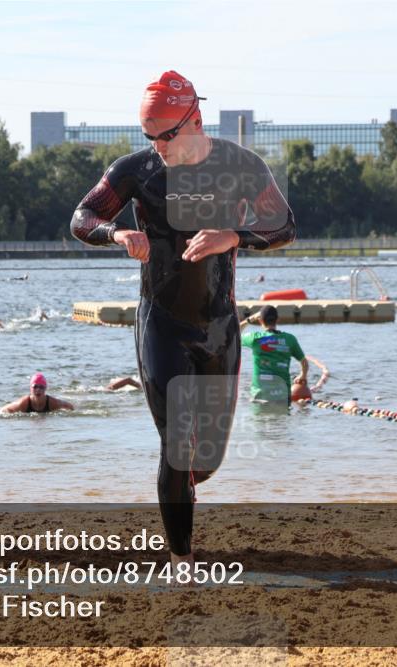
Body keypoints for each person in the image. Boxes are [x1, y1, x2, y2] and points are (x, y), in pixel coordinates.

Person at [70, 70, 295, 569]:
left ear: (195, 120)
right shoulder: (135, 170)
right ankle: (182, 559)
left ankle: (186, 492)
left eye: (165, 136)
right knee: (176, 443)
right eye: (148, 137)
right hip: (161, 324)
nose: (157, 147)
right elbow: (82, 216)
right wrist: (115, 234)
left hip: (219, 327)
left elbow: (283, 226)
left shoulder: (242, 166)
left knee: (204, 461)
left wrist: (233, 234)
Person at [239, 305, 308, 405]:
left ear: (260, 321)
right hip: (283, 399)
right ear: (277, 320)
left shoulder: (255, 338)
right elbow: (304, 363)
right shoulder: (289, 339)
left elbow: (235, 332)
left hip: (259, 398)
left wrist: (249, 320)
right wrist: (303, 375)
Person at [0, 373, 74, 413]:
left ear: (45, 388)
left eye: (41, 387)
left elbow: (70, 407)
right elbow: (3, 410)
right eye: (35, 387)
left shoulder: (52, 403)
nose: (38, 390)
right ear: (30, 388)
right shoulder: (23, 403)